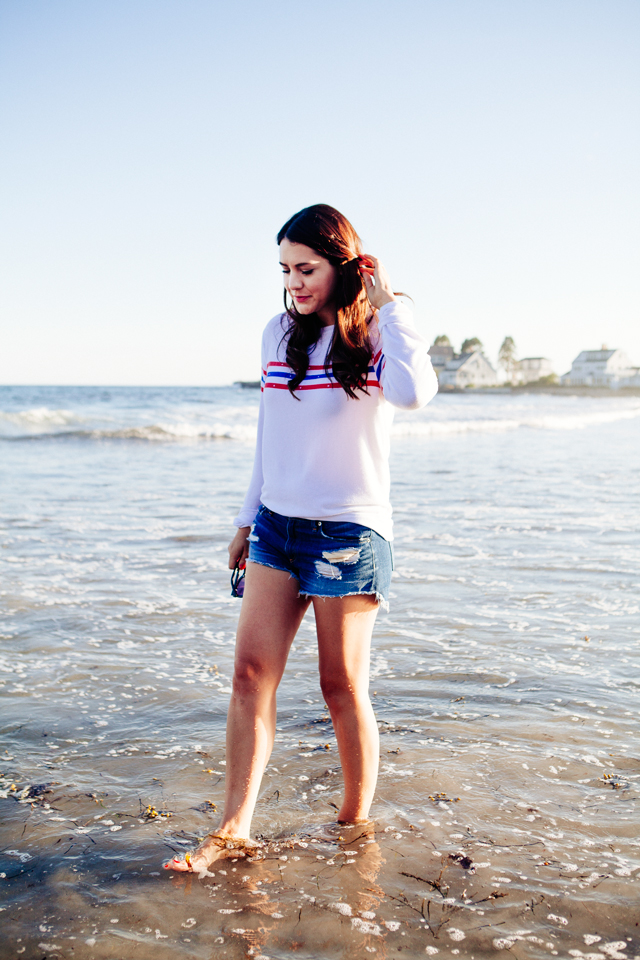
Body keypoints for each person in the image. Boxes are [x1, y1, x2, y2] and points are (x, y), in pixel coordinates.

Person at [165, 204, 438, 873]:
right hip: (276, 529)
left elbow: (413, 393)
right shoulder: (276, 333)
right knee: (250, 675)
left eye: (307, 268)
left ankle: (353, 825)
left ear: (344, 265)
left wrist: (391, 305)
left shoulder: (376, 333)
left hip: (350, 531)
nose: (294, 282)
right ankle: (232, 830)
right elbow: (270, 435)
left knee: (341, 684)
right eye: (286, 269)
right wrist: (244, 518)